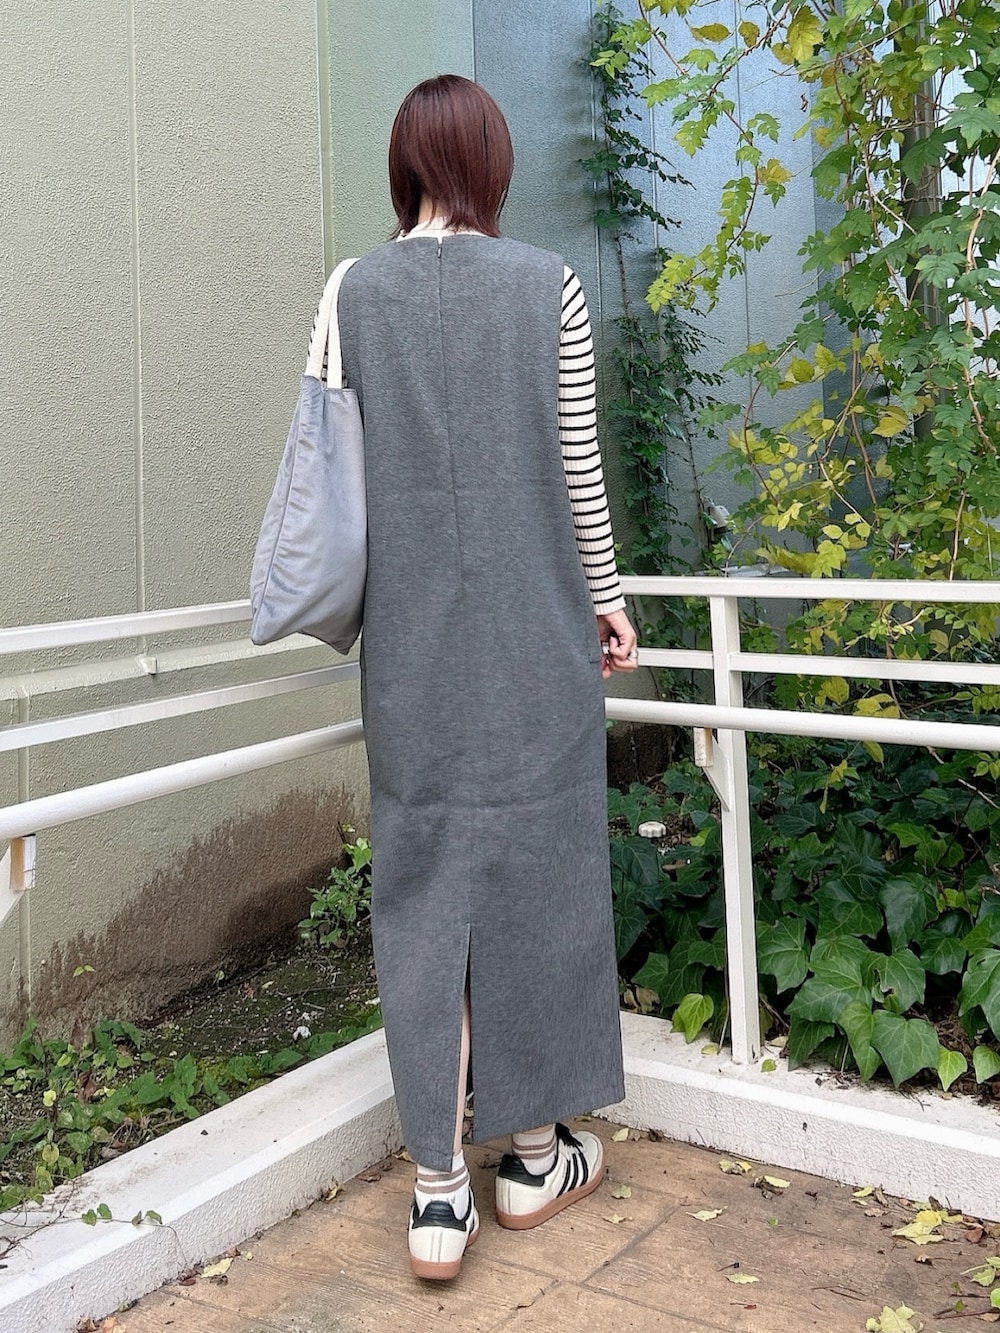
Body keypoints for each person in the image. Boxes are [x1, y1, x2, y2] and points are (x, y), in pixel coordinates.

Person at [334, 73, 638, 1281]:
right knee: (538, 874)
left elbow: (332, 473)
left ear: (406, 164)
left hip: (408, 649)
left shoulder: (350, 291)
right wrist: (606, 596)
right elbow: (577, 468)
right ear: (490, 164)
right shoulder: (545, 282)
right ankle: (532, 1157)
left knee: (422, 888)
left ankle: (435, 1193)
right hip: (532, 636)